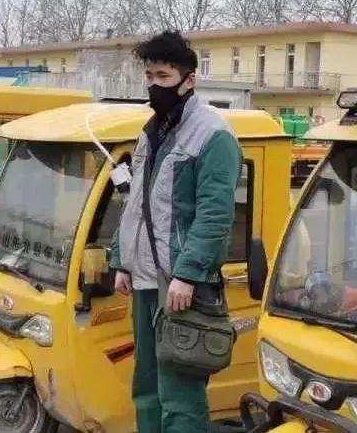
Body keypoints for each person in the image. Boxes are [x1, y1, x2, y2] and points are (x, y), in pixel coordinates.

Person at [109, 31, 242, 432]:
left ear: (189, 80)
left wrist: (188, 274)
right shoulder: (152, 131)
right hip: (146, 280)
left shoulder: (213, 136)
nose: (154, 85)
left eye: (163, 77)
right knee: (146, 385)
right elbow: (136, 203)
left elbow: (215, 215)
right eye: (150, 76)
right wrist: (122, 260)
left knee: (180, 393)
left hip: (181, 285)